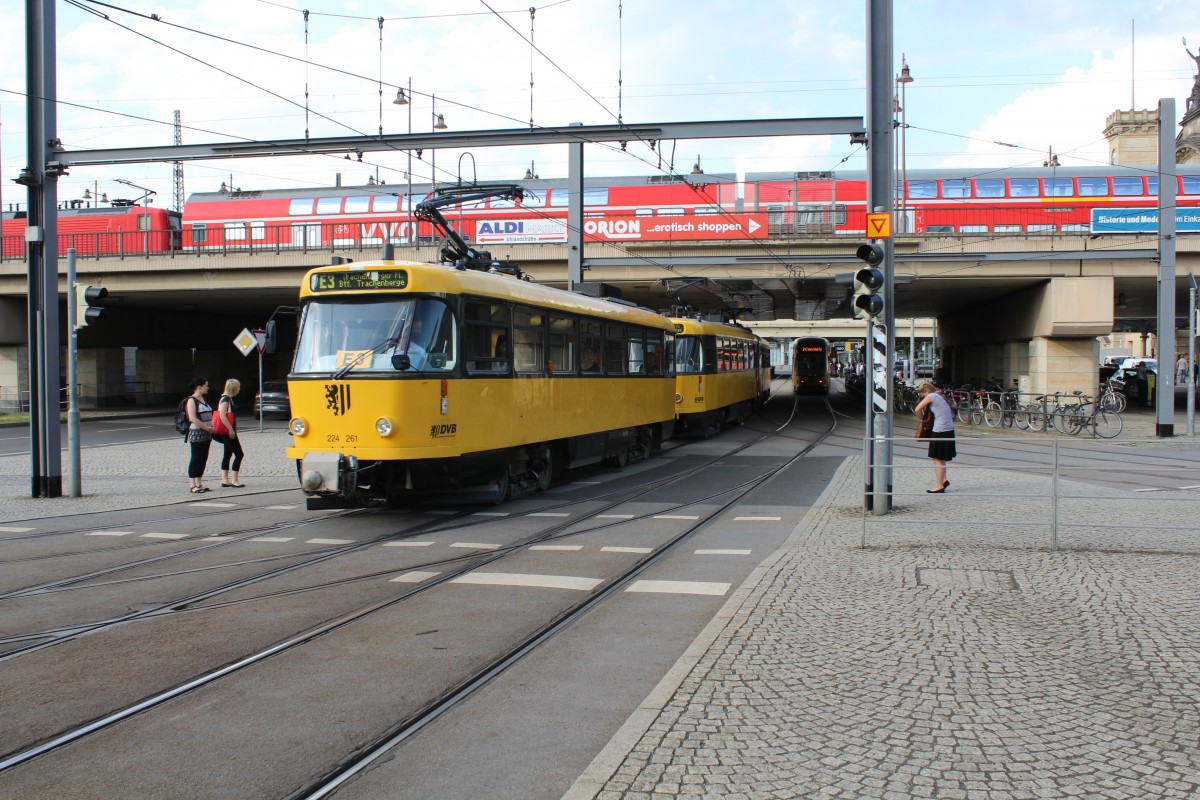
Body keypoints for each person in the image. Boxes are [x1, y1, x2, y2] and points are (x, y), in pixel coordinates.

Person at [914, 381, 955, 493]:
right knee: (941, 458)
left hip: (940, 430)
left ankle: (939, 486)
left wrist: (923, 419)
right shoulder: (938, 395)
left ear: (926, 391)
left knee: (937, 458)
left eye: (923, 394)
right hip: (948, 430)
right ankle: (944, 480)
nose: (923, 397)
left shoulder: (931, 396)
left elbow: (917, 409)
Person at [211, 378, 246, 488]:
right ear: (234, 387)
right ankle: (234, 479)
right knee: (239, 454)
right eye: (238, 387)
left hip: (226, 431)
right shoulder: (226, 399)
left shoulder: (227, 398)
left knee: (228, 453)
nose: (239, 389)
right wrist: (230, 429)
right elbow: (222, 415)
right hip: (227, 431)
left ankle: (225, 479)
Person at [185, 377, 215, 493]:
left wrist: (210, 427)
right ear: (199, 387)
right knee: (196, 457)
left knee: (203, 458)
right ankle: (192, 484)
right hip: (197, 433)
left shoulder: (203, 399)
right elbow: (193, 418)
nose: (208, 387)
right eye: (206, 385)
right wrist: (206, 427)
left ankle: (199, 483)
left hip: (207, 433)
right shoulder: (192, 400)